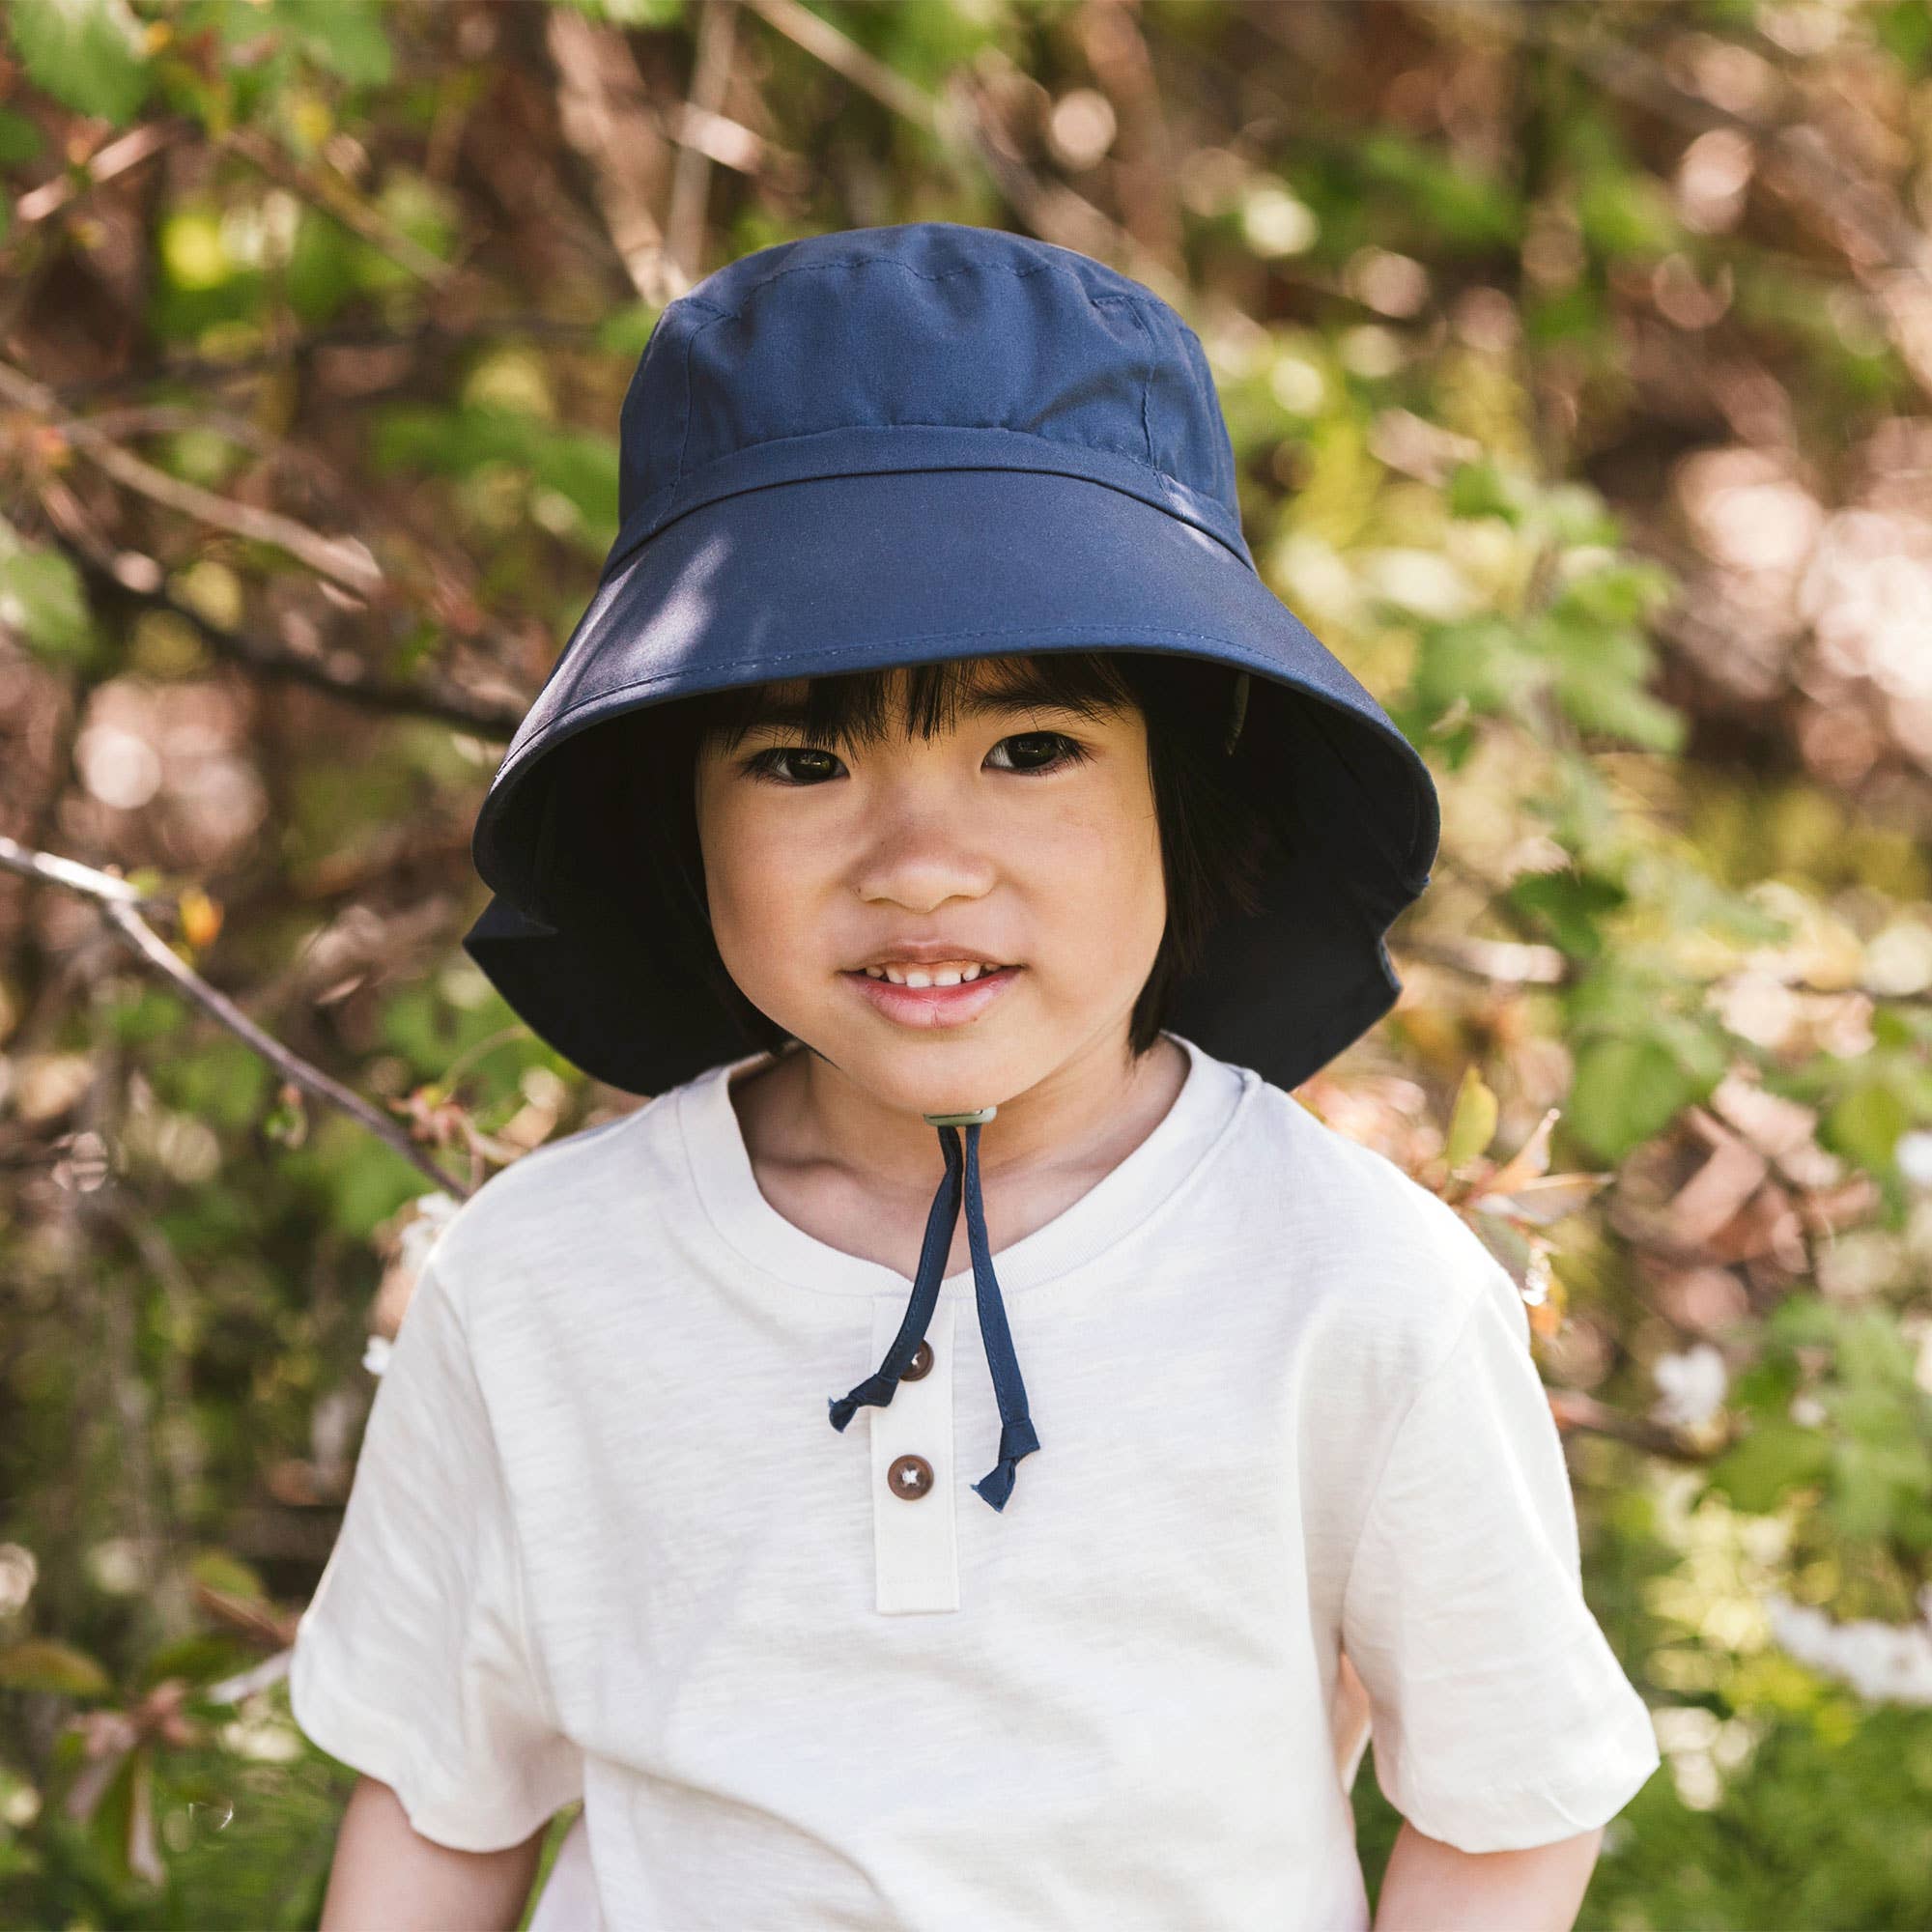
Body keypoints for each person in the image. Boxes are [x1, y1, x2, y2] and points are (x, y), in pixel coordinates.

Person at [288, 221, 1661, 1932]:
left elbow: (1507, 1805)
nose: (922, 861)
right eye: (799, 758)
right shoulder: (540, 1285)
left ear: (1189, 784)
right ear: (674, 813)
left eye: (1030, 749)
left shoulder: (1354, 1292)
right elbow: (442, 1801)